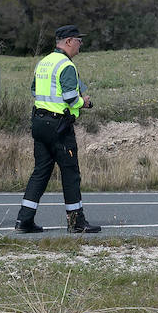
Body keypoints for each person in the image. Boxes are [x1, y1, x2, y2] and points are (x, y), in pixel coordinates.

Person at [14, 24, 101, 233]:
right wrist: (85, 102)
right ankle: (76, 222)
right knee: (70, 173)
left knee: (41, 172)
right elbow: (71, 98)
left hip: (39, 122)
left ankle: (23, 220)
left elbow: (35, 90)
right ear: (69, 41)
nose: (81, 45)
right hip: (59, 126)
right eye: (79, 40)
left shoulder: (43, 63)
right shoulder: (66, 65)